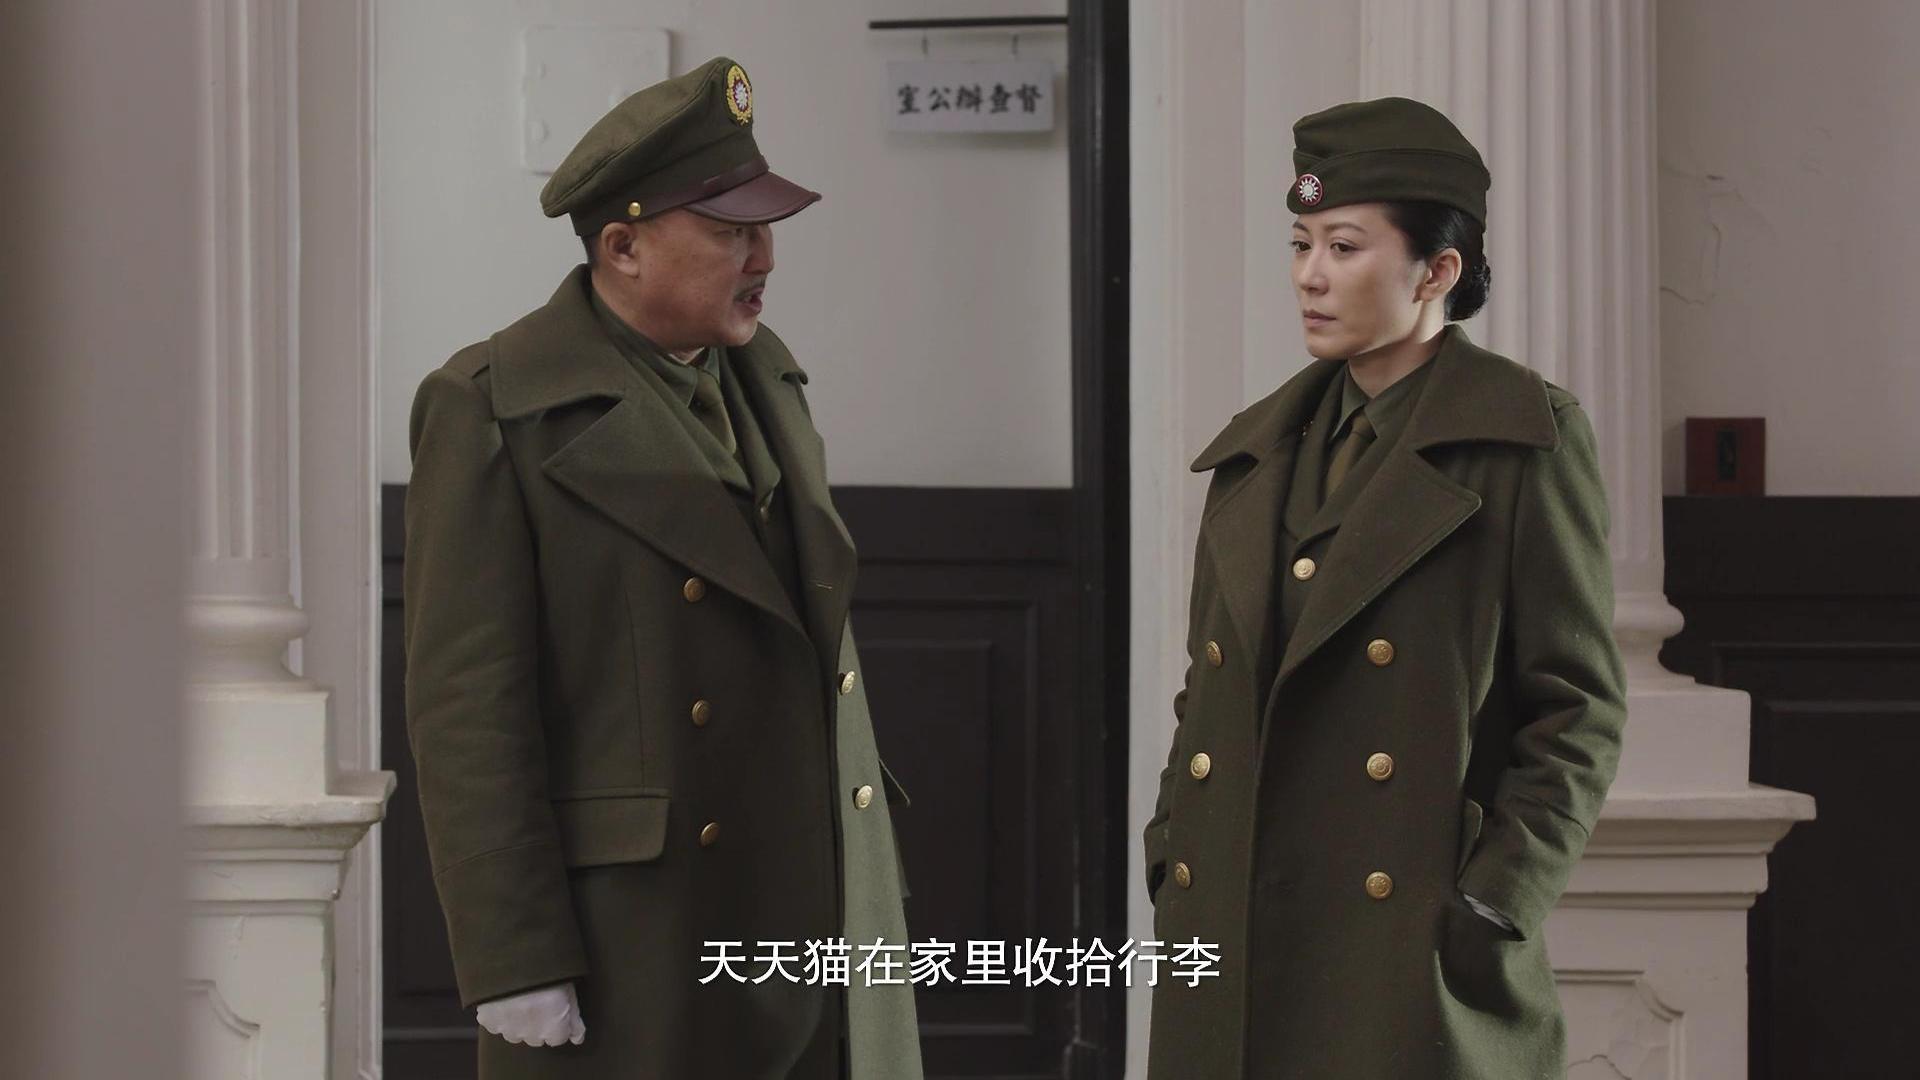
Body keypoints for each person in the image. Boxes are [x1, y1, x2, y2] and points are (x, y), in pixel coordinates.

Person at [403, 56, 922, 1079]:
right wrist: (513, 955)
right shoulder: (494, 405)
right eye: (729, 230)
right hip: (633, 929)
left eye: (764, 228)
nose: (763, 256)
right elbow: (467, 708)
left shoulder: (766, 376)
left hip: (799, 897)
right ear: (624, 246)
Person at [1141, 96, 1627, 1078]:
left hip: (1406, 954)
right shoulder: (1252, 454)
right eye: (1301, 244)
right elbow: (1210, 692)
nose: (1309, 276)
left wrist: (1498, 898)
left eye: (1345, 247)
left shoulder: (1523, 444)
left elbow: (1576, 707)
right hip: (1233, 931)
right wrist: (1172, 849)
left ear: (1437, 271)